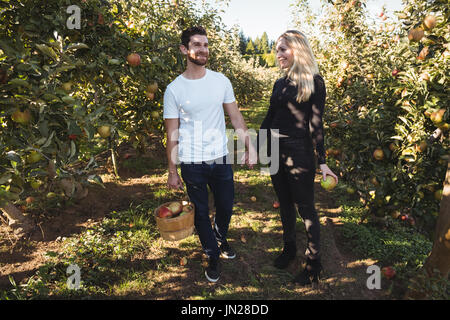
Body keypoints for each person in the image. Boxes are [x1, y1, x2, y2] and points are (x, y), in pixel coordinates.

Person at [163, 26, 256, 283]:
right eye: (197, 44)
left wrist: (250, 146)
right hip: (192, 162)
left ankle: (219, 236)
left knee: (226, 205)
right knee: (201, 211)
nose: (203, 49)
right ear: (184, 49)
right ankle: (212, 253)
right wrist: (172, 170)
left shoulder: (220, 81)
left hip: (220, 157)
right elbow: (172, 131)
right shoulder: (174, 90)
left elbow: (235, 116)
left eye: (205, 44)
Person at [259, 30, 338, 286]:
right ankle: (289, 247)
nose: (278, 54)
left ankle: (314, 264)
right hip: (274, 150)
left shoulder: (315, 81)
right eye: (277, 49)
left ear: (297, 50)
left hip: (299, 150)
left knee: (305, 207)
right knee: (283, 202)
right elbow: (270, 118)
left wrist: (322, 161)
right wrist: (257, 148)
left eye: (282, 49)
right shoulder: (279, 83)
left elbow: (316, 124)